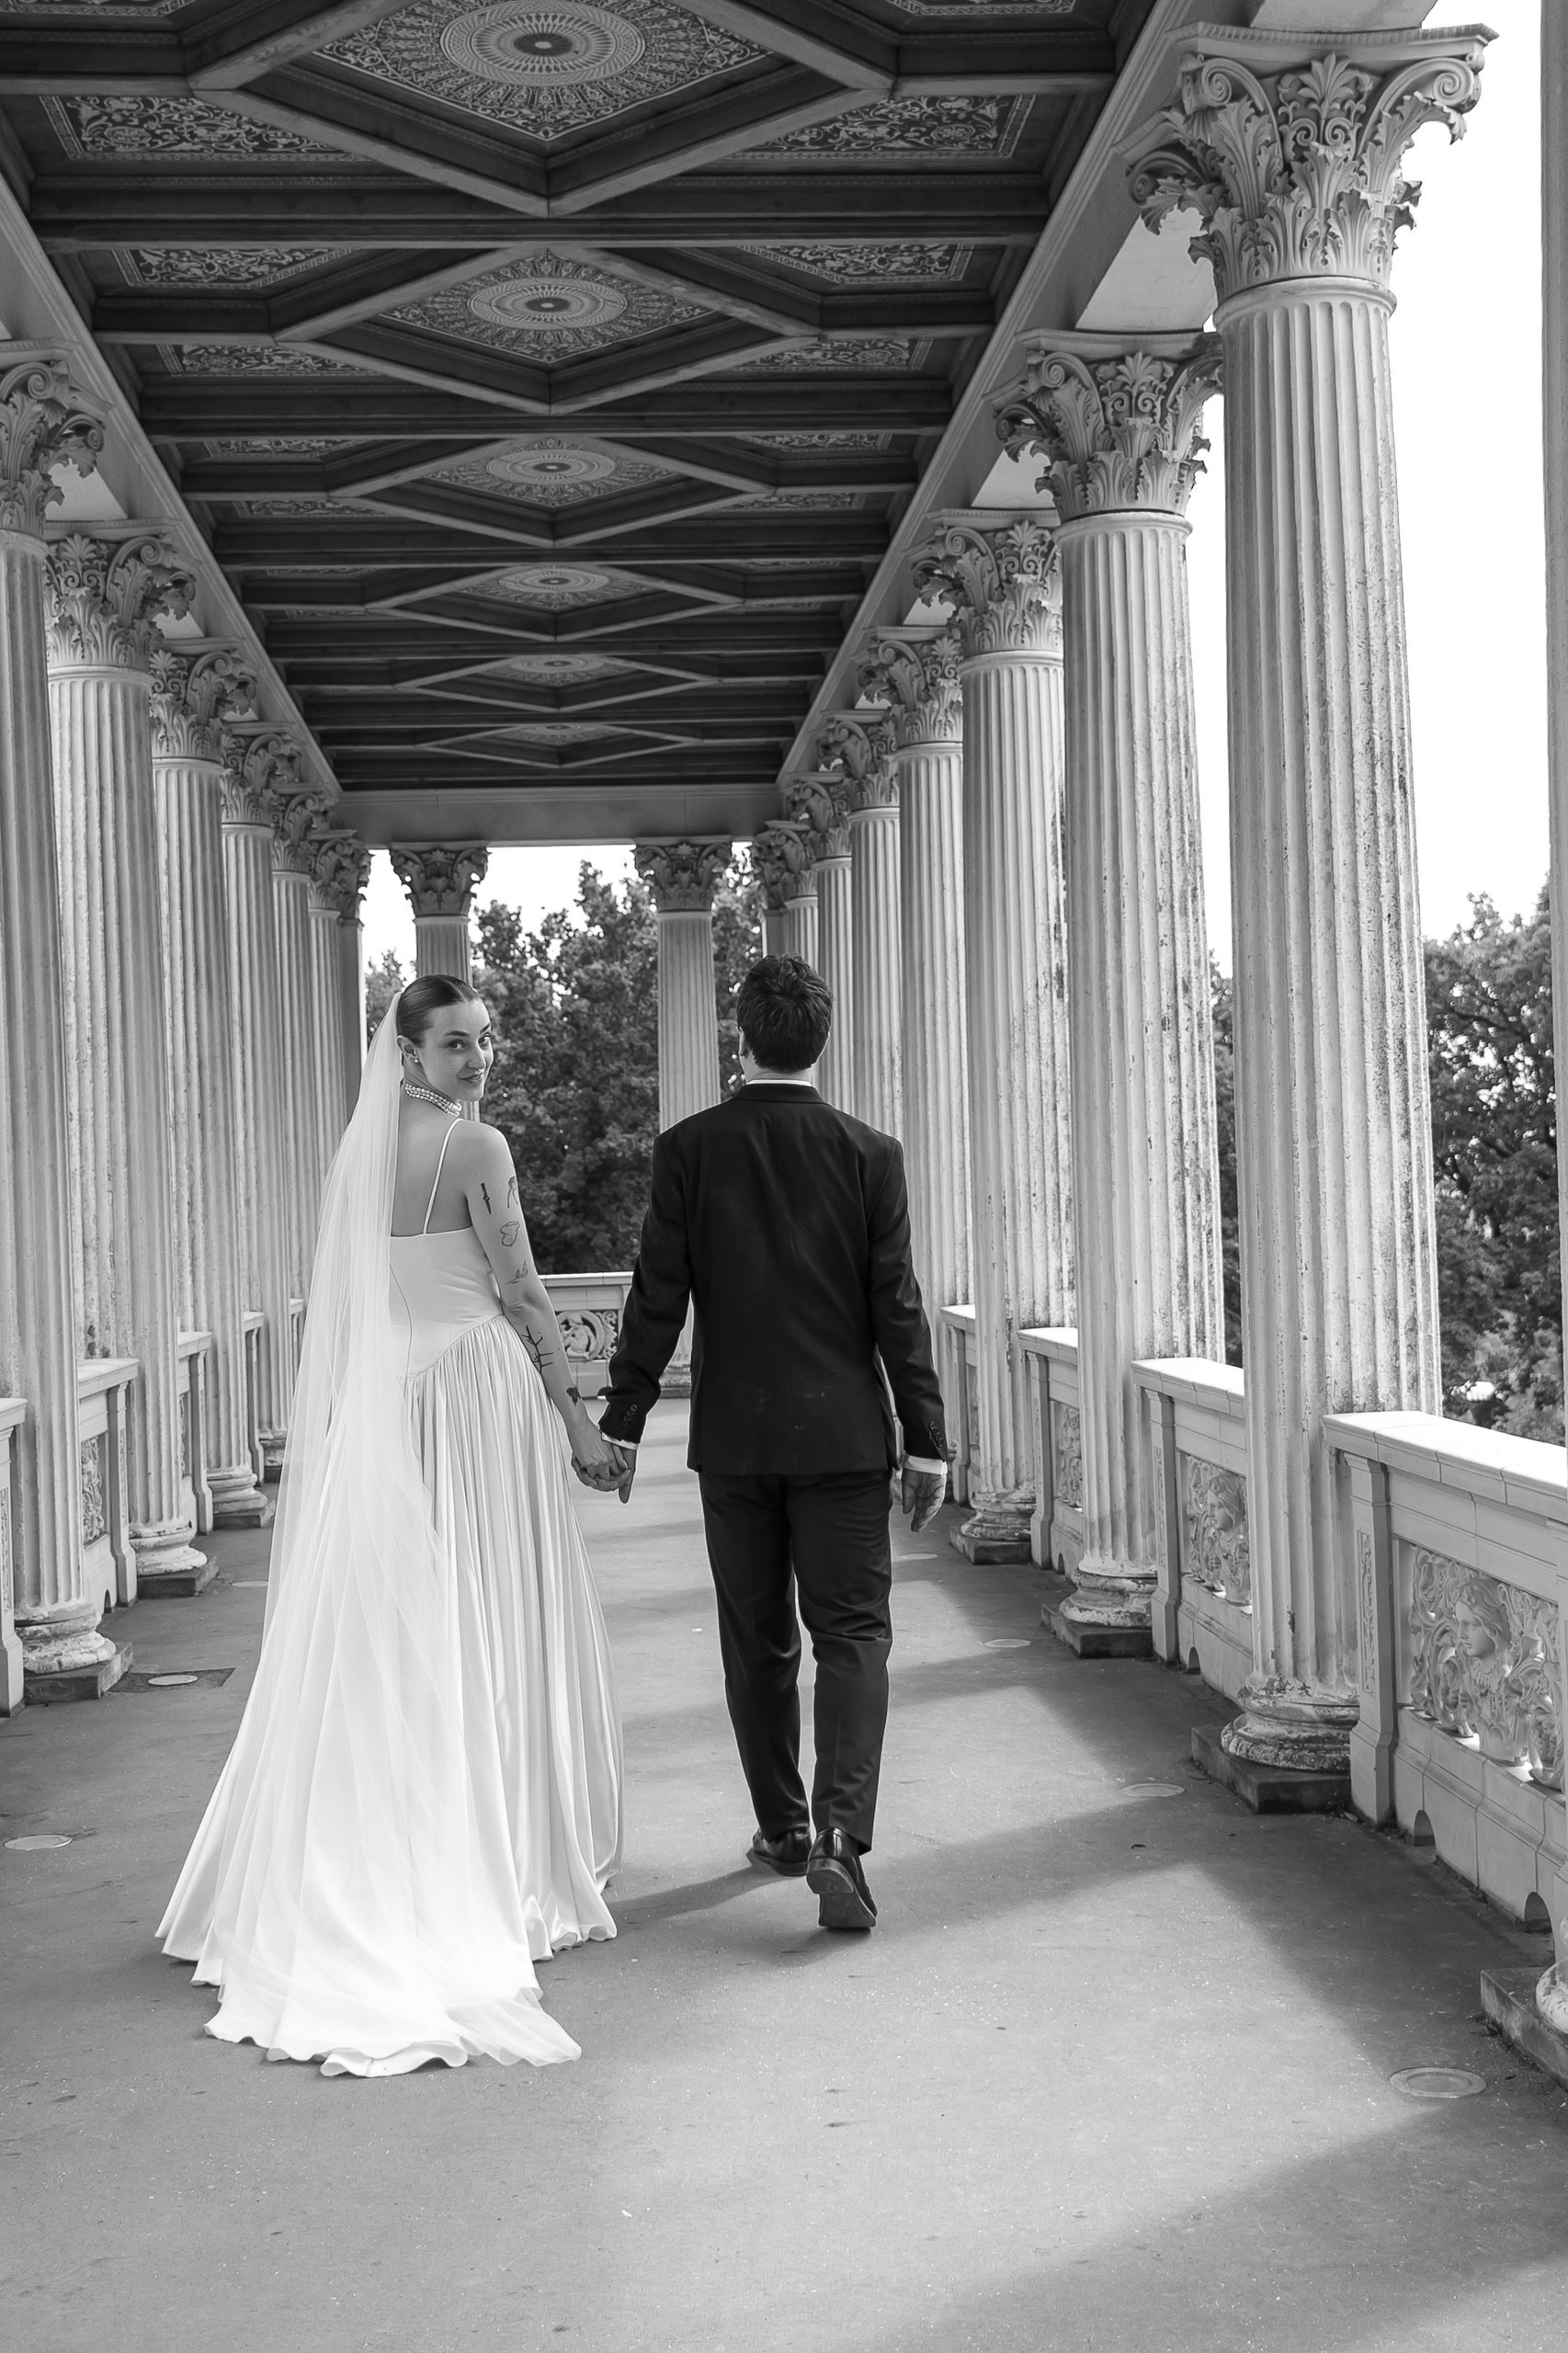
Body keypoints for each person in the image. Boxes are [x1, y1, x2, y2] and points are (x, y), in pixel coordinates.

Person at [159, 977, 624, 2075]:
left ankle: (409, 1842)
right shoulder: (479, 1149)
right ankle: (501, 1855)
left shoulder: (357, 1155)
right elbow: (519, 1294)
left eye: (484, 1041)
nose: (479, 1059)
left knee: (408, 1620)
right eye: (456, 1044)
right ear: (408, 1053)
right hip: (472, 1394)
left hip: (392, 1401)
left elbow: (358, 1301)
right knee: (492, 1608)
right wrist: (580, 1423)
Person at [597, 955, 949, 1933]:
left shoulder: (689, 1150)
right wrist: (925, 1440)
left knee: (755, 1644)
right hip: (840, 1436)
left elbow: (655, 1295)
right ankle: (842, 1836)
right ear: (820, 1040)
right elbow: (898, 1309)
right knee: (852, 1636)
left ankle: (784, 1828)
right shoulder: (869, 1153)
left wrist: (624, 1419)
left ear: (740, 1038)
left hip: (735, 1440)